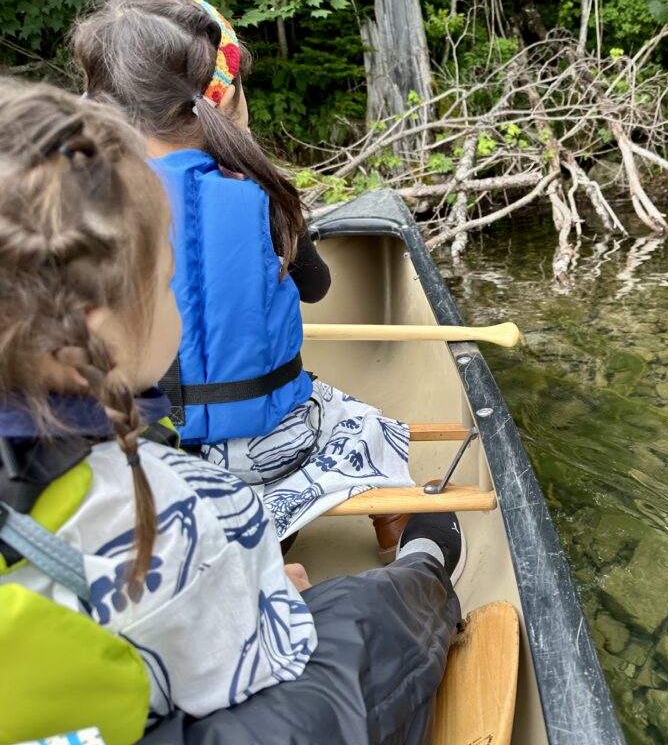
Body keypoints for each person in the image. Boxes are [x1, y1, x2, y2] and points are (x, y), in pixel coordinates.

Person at [0, 79, 463, 742]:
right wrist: (263, 593)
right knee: (358, 616)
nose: (176, 303)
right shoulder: (177, 506)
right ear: (93, 327)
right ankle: (421, 565)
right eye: (165, 286)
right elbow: (246, 664)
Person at [71, 0, 411, 558]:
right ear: (225, 101)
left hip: (150, 462)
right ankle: (392, 524)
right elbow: (318, 288)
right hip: (267, 452)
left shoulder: (73, 204)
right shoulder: (262, 194)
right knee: (370, 427)